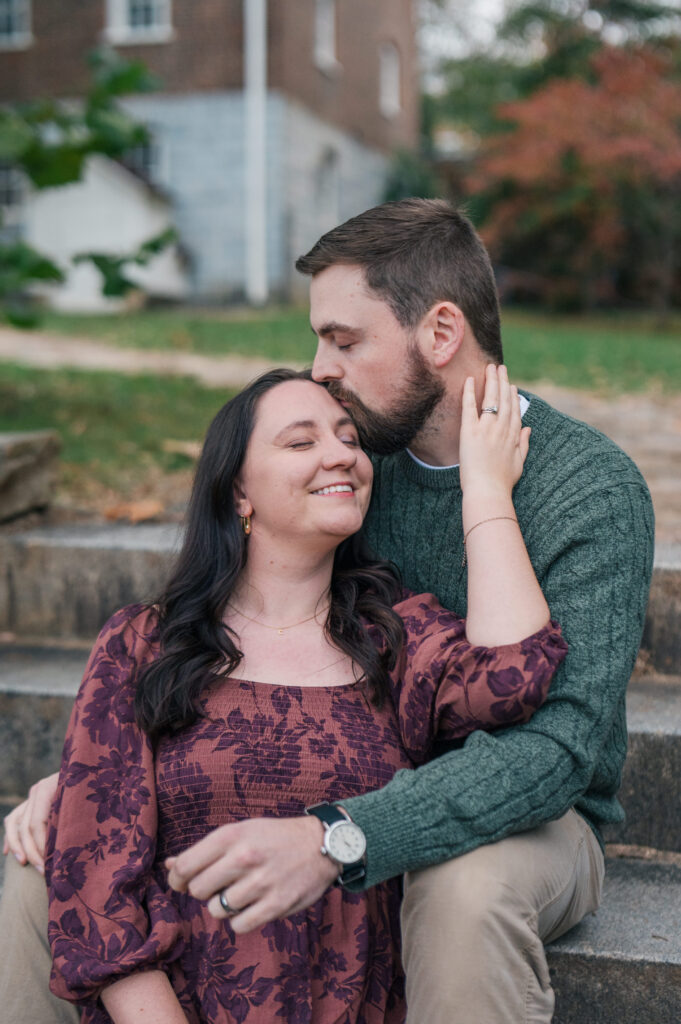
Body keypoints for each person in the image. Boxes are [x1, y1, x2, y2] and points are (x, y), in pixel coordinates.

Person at [2, 199, 654, 1023]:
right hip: (359, 770)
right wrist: (103, 772)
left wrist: (341, 834)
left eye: (343, 340)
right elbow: (239, 635)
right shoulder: (356, 462)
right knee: (49, 859)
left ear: (440, 334)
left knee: (462, 885)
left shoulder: (588, 490)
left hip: (530, 814)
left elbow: (555, 752)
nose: (319, 369)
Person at [41, 367, 564, 1023]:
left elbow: (516, 673)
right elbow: (94, 890)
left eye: (348, 438)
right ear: (237, 491)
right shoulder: (144, 643)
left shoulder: (396, 639)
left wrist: (484, 488)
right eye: (300, 441)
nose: (341, 453)